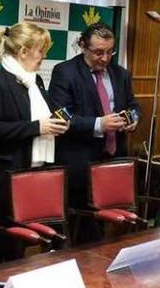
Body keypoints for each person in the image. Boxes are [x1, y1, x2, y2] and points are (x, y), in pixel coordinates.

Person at [49, 22, 139, 225]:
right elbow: (61, 116)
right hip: (80, 162)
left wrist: (133, 118)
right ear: (82, 45)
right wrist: (99, 124)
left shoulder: (120, 73)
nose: (105, 58)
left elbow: (133, 105)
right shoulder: (65, 72)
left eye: (110, 52)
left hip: (114, 160)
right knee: (82, 227)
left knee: (112, 224)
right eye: (98, 52)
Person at [0, 23, 69, 227]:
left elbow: (43, 116)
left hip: (35, 173)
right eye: (41, 50)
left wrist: (57, 123)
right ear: (23, 51)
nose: (43, 56)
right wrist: (38, 127)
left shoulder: (36, 81)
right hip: (5, 179)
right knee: (6, 248)